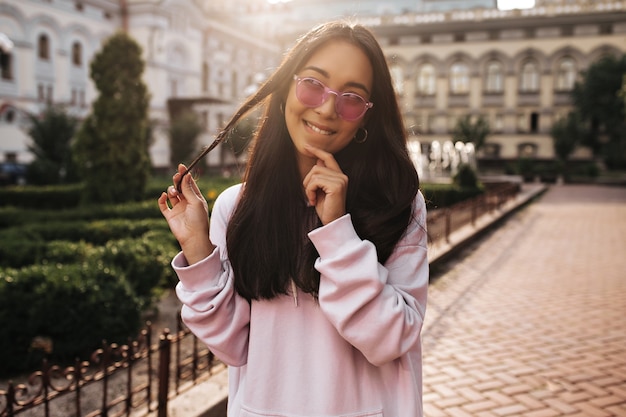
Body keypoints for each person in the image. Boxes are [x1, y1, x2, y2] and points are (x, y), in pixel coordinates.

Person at [158, 20, 428, 417]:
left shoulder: (398, 205)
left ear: (366, 119)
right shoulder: (237, 207)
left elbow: (390, 339)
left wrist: (337, 232)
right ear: (286, 89)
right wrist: (197, 246)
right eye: (313, 84)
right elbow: (231, 346)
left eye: (352, 97)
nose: (327, 107)